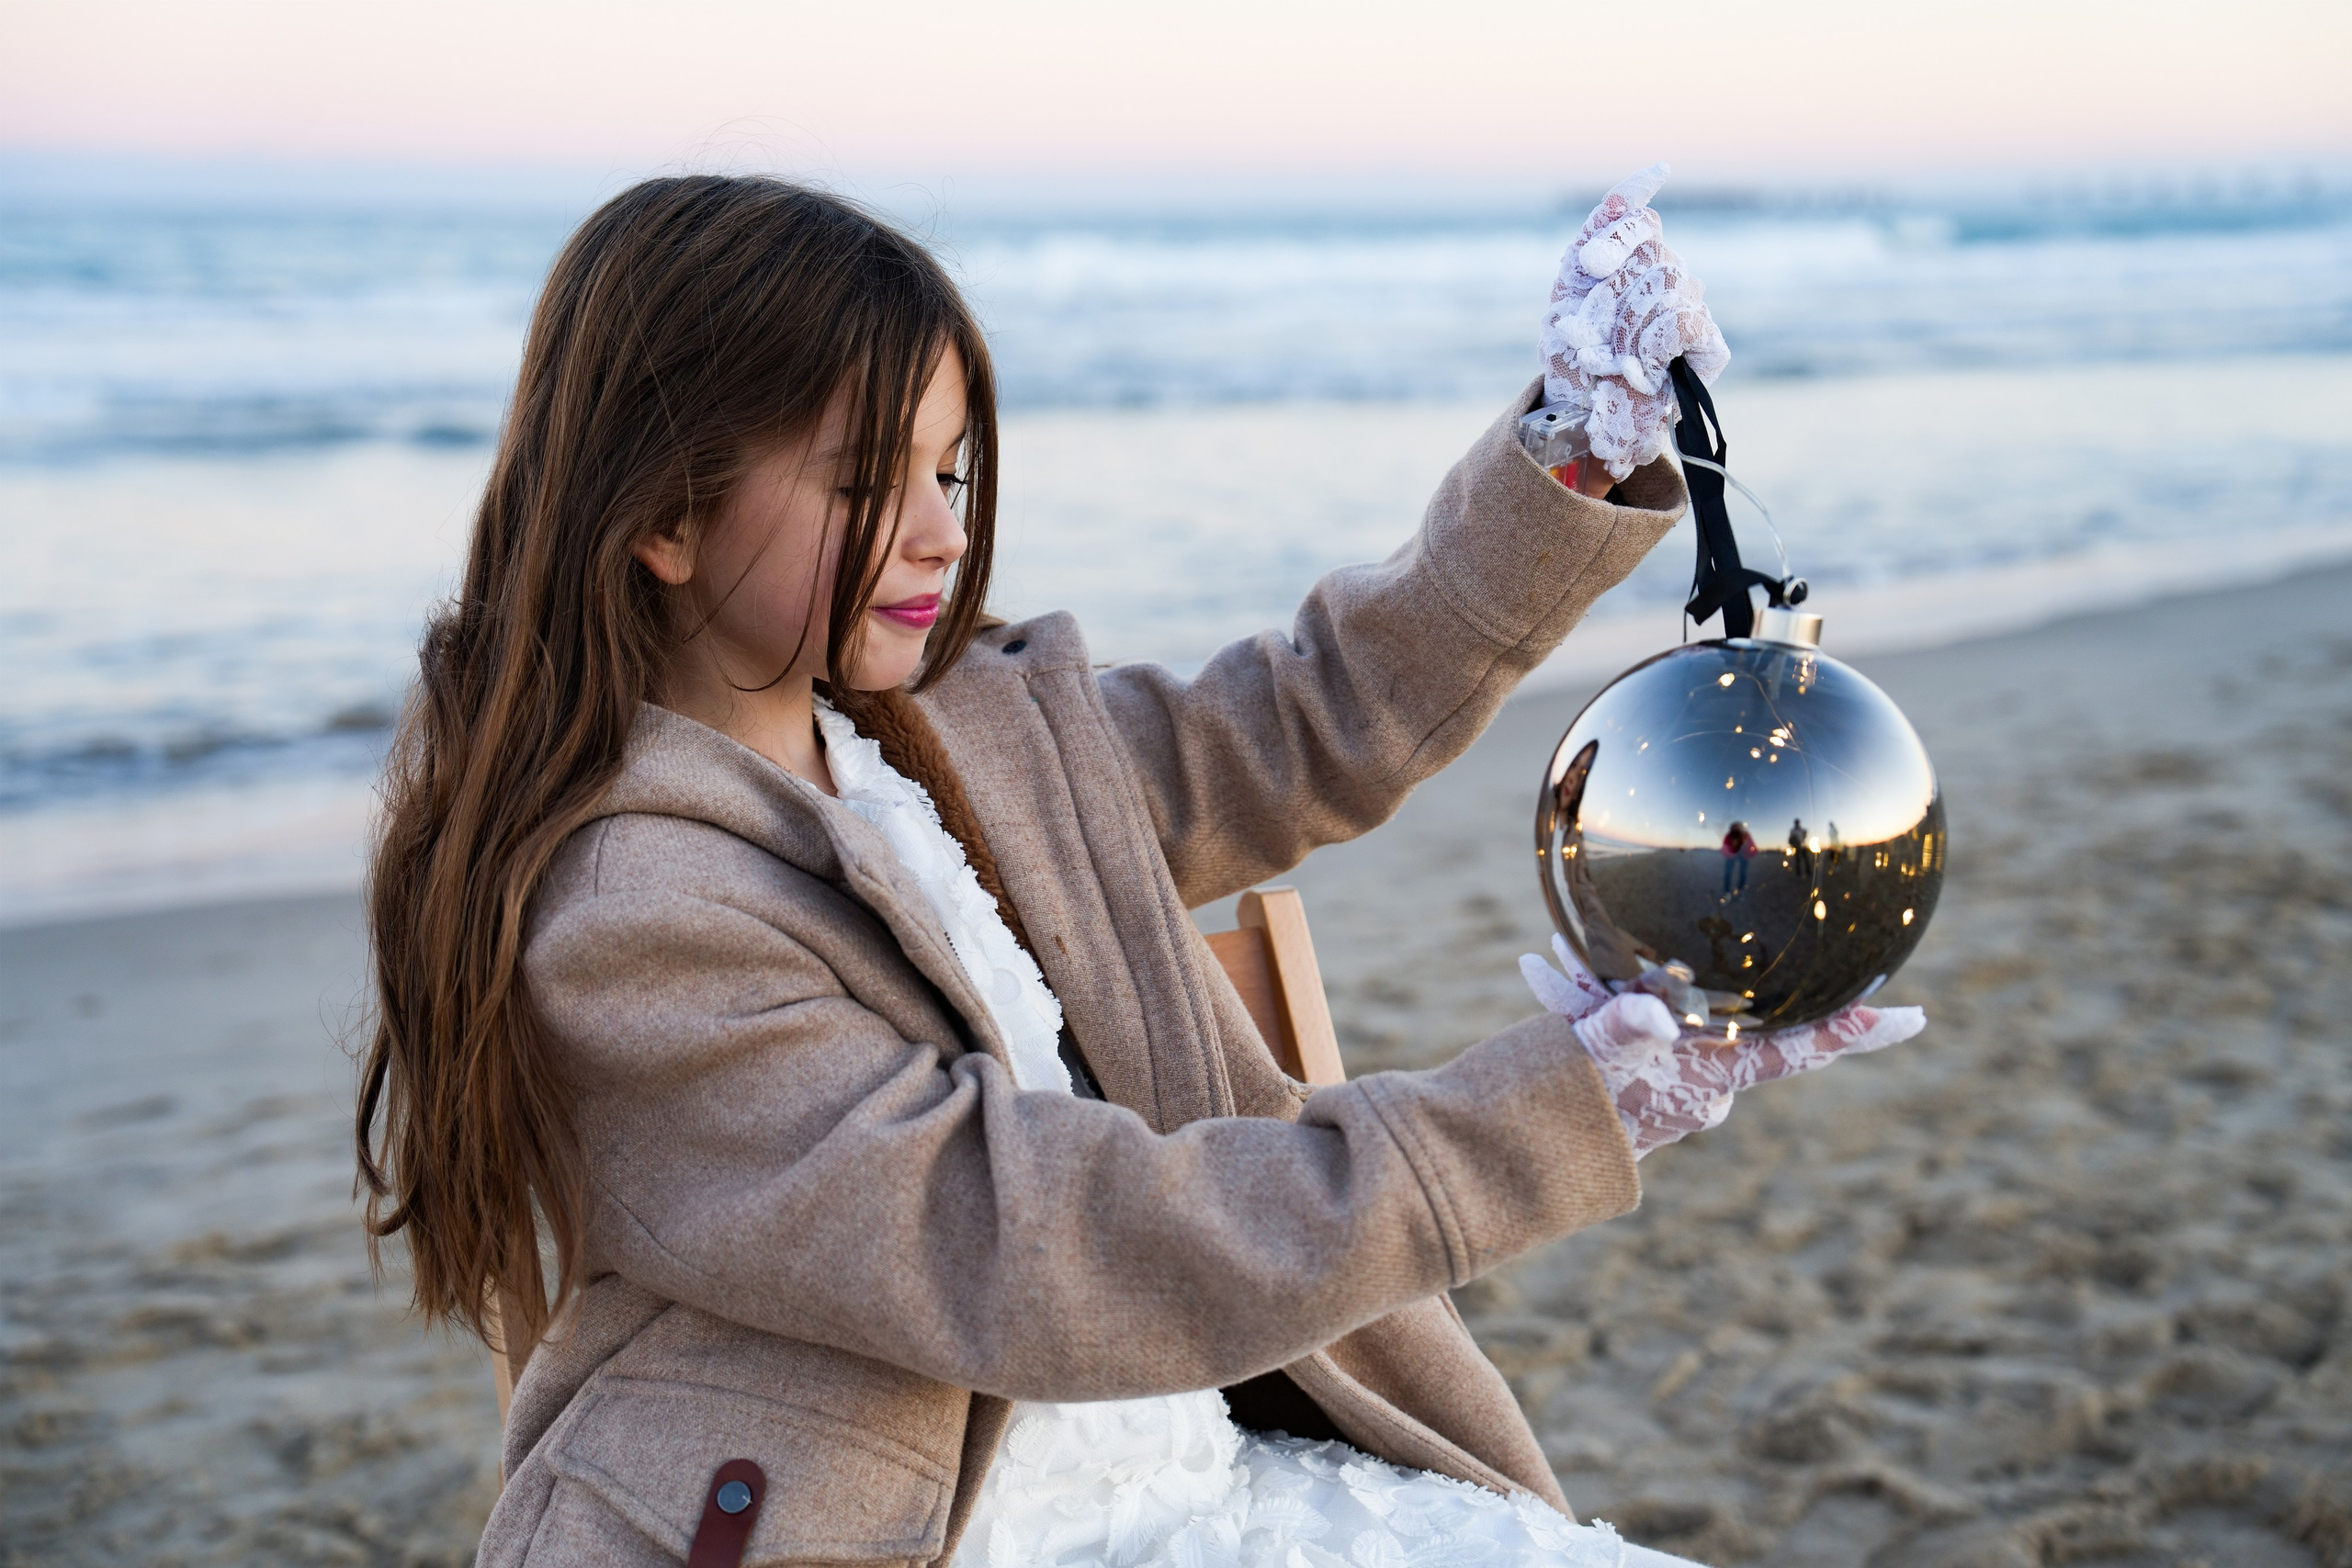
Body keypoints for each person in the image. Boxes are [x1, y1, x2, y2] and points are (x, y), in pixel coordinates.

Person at [356, 171, 1922, 1567]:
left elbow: (1305, 718)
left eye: (954, 474)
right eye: (861, 484)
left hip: (1201, 1462)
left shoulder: (955, 735)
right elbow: (1037, 1241)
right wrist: (1551, 1107)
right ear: (661, 517)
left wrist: (1566, 461)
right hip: (915, 1524)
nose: (934, 537)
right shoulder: (633, 915)